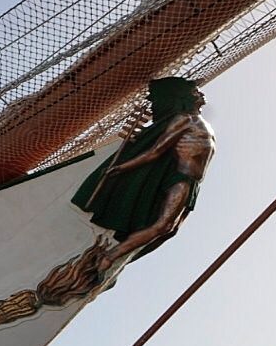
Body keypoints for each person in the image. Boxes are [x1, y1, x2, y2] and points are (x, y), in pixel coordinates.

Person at [72, 76, 216, 271]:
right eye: (195, 92)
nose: (201, 93)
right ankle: (110, 257)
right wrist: (122, 167)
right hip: (181, 179)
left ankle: (113, 256)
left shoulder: (203, 125)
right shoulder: (184, 120)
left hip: (193, 185)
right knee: (163, 226)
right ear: (184, 98)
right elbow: (155, 151)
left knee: (169, 230)